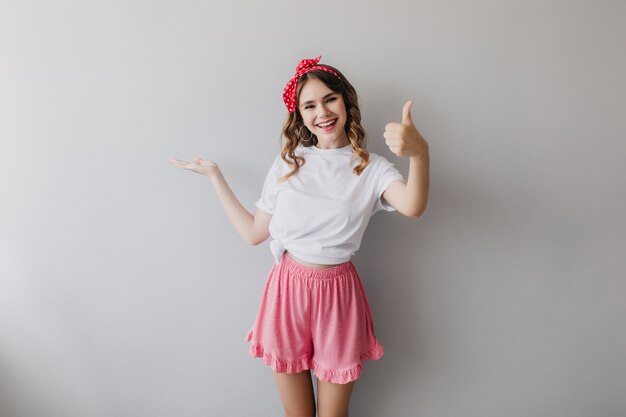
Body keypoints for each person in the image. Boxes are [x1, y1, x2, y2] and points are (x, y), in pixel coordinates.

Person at [170, 55, 429, 417]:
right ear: (300, 116)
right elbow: (253, 233)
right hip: (287, 291)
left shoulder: (372, 168)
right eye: (309, 105)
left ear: (346, 101)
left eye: (329, 99)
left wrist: (420, 153)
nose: (321, 112)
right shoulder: (290, 162)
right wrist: (216, 176)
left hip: (338, 296)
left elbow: (413, 206)